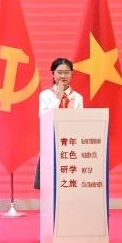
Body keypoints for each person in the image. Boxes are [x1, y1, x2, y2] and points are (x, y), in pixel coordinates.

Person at [33, 57, 84, 189]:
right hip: (51, 142)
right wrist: (58, 99)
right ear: (52, 74)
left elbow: (80, 122)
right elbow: (44, 117)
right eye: (59, 72)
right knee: (49, 183)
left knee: (70, 180)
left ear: (72, 74)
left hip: (71, 143)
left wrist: (71, 112)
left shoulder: (77, 97)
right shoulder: (45, 95)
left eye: (66, 72)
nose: (63, 76)